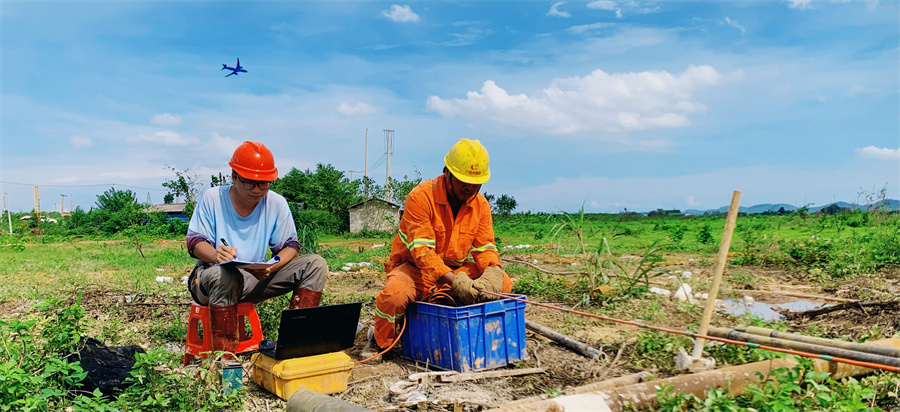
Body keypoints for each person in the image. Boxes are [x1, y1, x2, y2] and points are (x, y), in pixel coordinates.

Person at [186, 141, 328, 359]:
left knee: (315, 264)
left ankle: (296, 347)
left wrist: (273, 266)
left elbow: (291, 246)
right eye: (249, 183)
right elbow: (195, 242)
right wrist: (216, 255)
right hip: (209, 279)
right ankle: (225, 362)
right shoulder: (213, 198)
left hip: (254, 277)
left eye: (263, 184)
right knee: (224, 274)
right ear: (233, 177)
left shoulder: (276, 203)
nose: (257, 190)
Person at [369, 138, 512, 353]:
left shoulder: (481, 205)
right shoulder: (421, 197)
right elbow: (423, 252)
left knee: (504, 285)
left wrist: (492, 272)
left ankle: (466, 326)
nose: (470, 187)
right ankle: (380, 342)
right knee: (395, 296)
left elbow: (485, 248)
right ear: (447, 172)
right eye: (464, 180)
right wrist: (455, 282)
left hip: (455, 271)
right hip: (415, 269)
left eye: (476, 182)